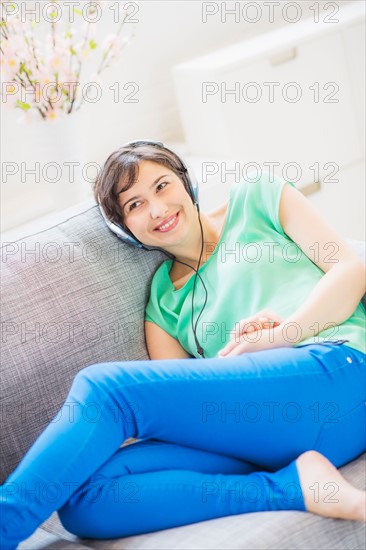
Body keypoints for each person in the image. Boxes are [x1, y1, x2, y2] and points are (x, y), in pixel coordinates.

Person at [1, 141, 365, 549]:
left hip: (338, 373)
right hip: (264, 436)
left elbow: (350, 268)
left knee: (107, 389)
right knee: (85, 498)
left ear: (186, 182)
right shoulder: (162, 303)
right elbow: (185, 405)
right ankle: (289, 487)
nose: (156, 209)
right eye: (134, 204)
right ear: (125, 228)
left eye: (161, 186)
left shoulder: (259, 198)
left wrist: (283, 335)